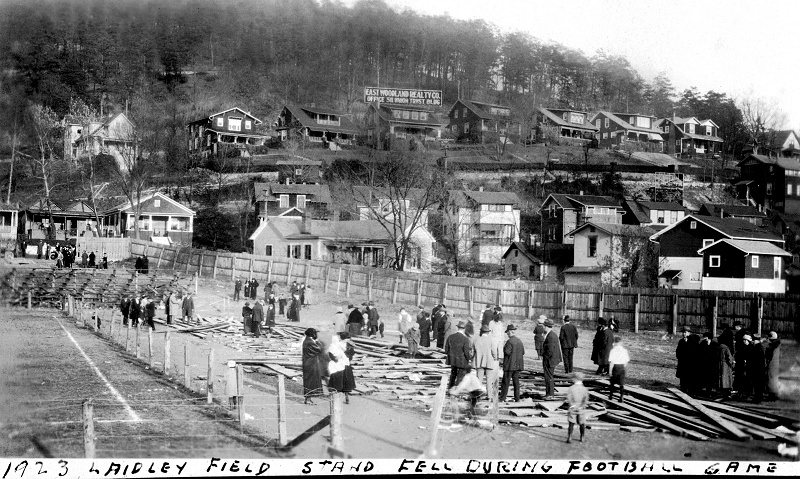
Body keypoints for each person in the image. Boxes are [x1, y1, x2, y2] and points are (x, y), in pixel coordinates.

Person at [328, 332, 356, 404]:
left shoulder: (337, 344)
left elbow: (331, 353)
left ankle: (338, 397)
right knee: (346, 381)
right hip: (345, 364)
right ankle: (346, 397)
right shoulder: (349, 344)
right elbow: (352, 353)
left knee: (339, 381)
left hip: (340, 364)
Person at [444, 320, 472, 390]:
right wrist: (469, 358)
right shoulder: (465, 339)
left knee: (453, 375)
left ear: (457, 328)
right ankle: (456, 391)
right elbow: (466, 352)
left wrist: (450, 355)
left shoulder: (451, 337)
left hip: (453, 360)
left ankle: (450, 388)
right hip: (462, 361)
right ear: (464, 329)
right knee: (460, 377)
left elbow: (446, 349)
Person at [472, 324, 498, 401]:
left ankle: (478, 396)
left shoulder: (476, 340)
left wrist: (472, 358)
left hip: (479, 361)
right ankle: (489, 396)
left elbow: (473, 351)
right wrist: (495, 358)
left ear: (481, 332)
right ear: (488, 332)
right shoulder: (491, 340)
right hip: (489, 361)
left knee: (479, 379)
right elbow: (494, 352)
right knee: (489, 380)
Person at [501, 324, 525, 402]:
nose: (507, 334)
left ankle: (502, 398)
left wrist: (504, 347)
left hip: (509, 365)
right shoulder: (519, 341)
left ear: (510, 332)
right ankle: (517, 398)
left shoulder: (509, 341)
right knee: (516, 382)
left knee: (505, 382)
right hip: (517, 366)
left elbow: (507, 352)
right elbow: (523, 352)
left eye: (507, 333)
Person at [302, 328, 325, 404]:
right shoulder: (310, 342)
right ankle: (308, 399)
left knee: (309, 380)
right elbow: (319, 350)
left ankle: (308, 398)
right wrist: (318, 343)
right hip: (311, 363)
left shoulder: (307, 340)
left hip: (308, 362)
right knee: (311, 381)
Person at [541, 318, 563, 399]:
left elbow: (549, 351)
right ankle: (549, 394)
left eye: (543, 326)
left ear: (546, 326)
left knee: (548, 377)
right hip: (552, 359)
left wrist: (544, 356)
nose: (543, 327)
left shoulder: (551, 336)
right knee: (549, 377)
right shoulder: (552, 334)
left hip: (550, 360)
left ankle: (550, 395)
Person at [566, 372, 589, 444]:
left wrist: (572, 405)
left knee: (571, 422)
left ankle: (569, 436)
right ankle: (582, 436)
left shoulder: (571, 388)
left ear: (574, 379)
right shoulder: (584, 389)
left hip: (573, 407)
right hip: (581, 408)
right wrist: (582, 406)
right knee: (582, 423)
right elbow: (585, 399)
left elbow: (569, 397)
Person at [676, 326, 697, 394]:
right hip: (682, 362)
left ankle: (690, 390)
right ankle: (683, 389)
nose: (684, 334)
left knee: (689, 376)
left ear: (689, 333)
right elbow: (678, 351)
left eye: (685, 332)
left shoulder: (692, 341)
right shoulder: (681, 341)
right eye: (683, 332)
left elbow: (692, 351)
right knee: (682, 377)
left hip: (689, 363)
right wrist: (679, 357)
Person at [608, 336, 630, 403]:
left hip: (615, 367)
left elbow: (611, 362)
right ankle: (621, 397)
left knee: (612, 382)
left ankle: (611, 395)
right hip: (622, 367)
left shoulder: (613, 350)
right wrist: (624, 367)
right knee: (621, 383)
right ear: (621, 342)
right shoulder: (624, 350)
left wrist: (610, 371)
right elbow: (626, 361)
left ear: (614, 342)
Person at [748, 335, 767, 403]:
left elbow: (755, 360)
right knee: (758, 385)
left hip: (757, 369)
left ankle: (757, 398)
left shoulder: (757, 347)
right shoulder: (760, 347)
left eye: (753, 340)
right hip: (760, 369)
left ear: (756, 340)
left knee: (757, 385)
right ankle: (758, 397)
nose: (752, 341)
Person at [734, 334, 751, 398]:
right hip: (741, 366)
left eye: (745, 340)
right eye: (743, 340)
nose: (744, 341)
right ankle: (740, 392)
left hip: (747, 367)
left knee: (747, 380)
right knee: (740, 380)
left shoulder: (750, 348)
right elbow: (737, 355)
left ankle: (747, 393)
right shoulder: (742, 347)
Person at [766, 331, 781, 400]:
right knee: (773, 379)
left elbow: (769, 355)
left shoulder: (772, 346)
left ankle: (773, 394)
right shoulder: (777, 344)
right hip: (775, 364)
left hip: (772, 364)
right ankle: (773, 393)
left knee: (771, 379)